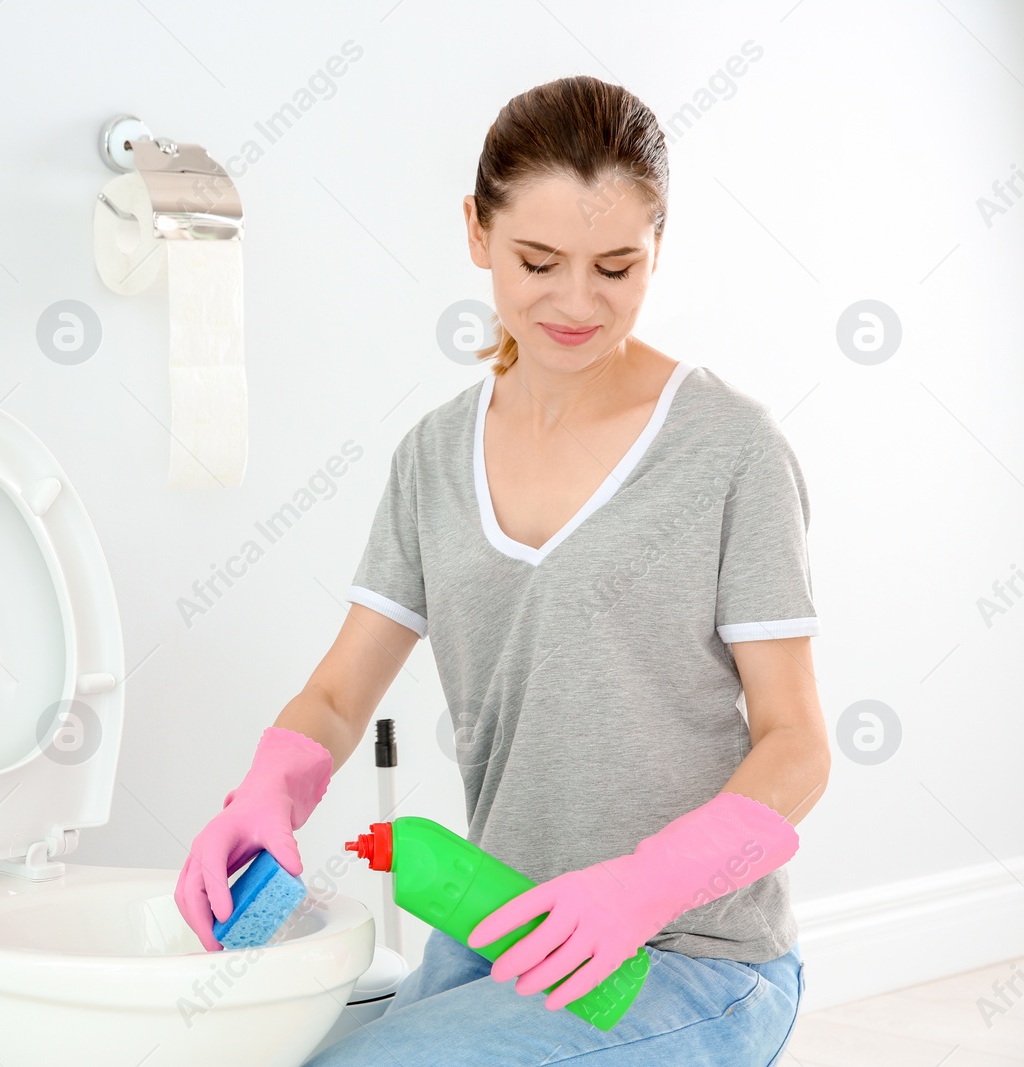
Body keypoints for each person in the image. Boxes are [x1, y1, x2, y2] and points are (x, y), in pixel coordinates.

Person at [173, 74, 829, 1066]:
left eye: (616, 266)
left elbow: (798, 745)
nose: (575, 302)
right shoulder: (434, 456)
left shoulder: (729, 448)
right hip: (499, 930)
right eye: (537, 260)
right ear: (476, 233)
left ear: (658, 249)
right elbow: (339, 694)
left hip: (688, 956)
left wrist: (644, 883)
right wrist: (266, 792)